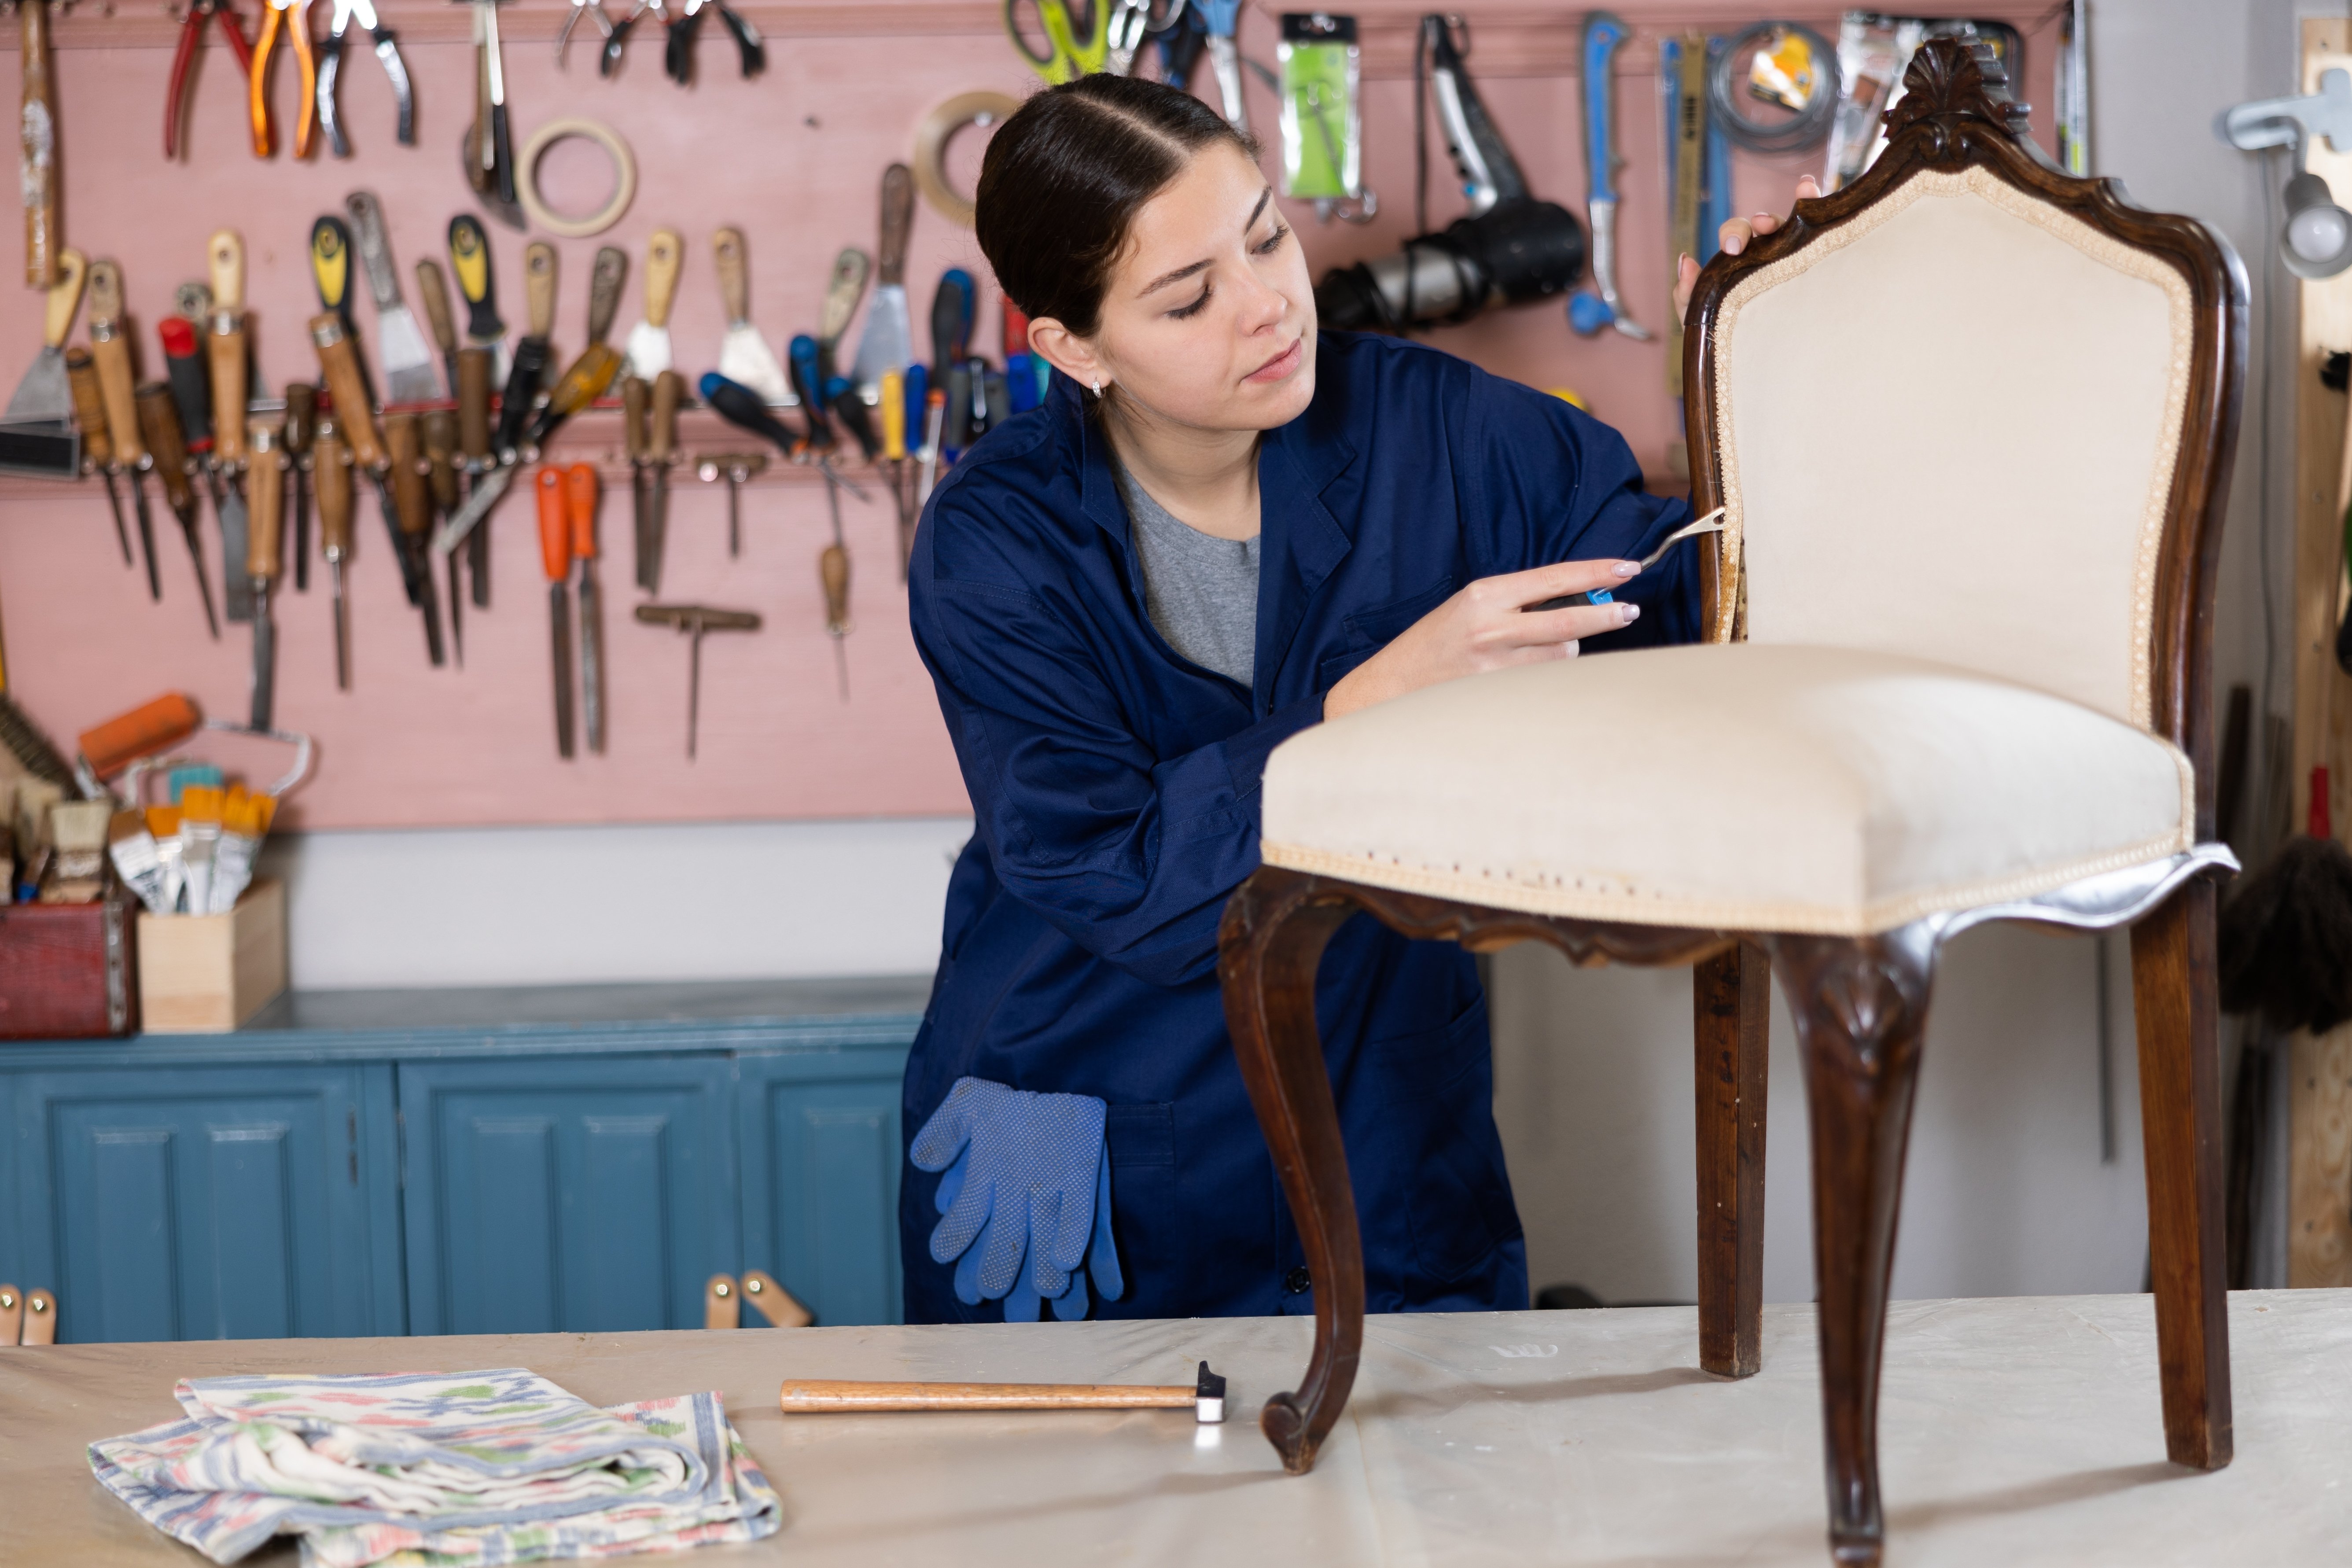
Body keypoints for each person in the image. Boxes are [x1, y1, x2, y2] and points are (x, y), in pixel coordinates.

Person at [900, 73, 1808, 1325]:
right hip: (1090, 1124)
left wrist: (1782, 370)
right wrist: (1366, 704)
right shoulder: (996, 540)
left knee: (1413, 1509)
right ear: (1072, 344)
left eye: (1265, 235)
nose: (1268, 306)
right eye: (1188, 296)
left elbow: (1689, 597)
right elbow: (1122, 871)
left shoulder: (1438, 433)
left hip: (1379, 1111)